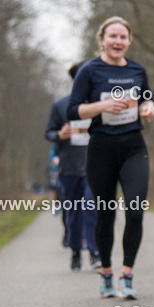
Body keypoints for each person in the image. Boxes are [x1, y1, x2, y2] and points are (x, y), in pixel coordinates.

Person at [67, 17, 154, 299]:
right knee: (105, 214)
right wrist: (102, 106)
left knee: (135, 209)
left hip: (133, 147)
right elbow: (73, 110)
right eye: (112, 36)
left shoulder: (137, 70)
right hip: (101, 149)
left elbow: (147, 99)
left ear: (129, 41)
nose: (118, 42)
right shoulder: (90, 71)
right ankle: (106, 272)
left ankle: (126, 275)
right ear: (102, 40)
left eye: (123, 37)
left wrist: (148, 109)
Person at [46, 62, 102, 271]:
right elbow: (48, 132)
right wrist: (60, 134)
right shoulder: (61, 105)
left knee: (91, 207)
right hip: (69, 168)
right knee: (73, 212)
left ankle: (95, 252)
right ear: (73, 80)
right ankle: (76, 252)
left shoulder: (100, 104)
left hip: (94, 166)